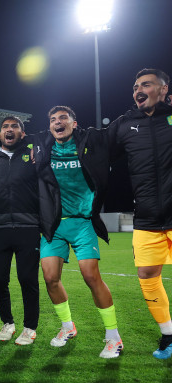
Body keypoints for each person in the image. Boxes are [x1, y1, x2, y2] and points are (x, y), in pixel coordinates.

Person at [34, 106, 121, 358]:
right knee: (50, 277)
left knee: (91, 276)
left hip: (82, 222)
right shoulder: (43, 146)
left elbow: (115, 133)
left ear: (74, 123)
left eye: (63, 118)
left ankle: (113, 336)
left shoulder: (89, 141)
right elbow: (17, 137)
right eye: (53, 119)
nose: (57, 122)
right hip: (55, 224)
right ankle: (67, 327)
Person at [106, 68, 172, 359]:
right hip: (146, 218)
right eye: (135, 87)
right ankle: (169, 335)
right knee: (147, 275)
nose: (138, 90)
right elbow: (93, 145)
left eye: (146, 84)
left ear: (163, 89)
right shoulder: (124, 124)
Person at [0, 116, 40, 345]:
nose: (9, 129)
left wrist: (33, 143)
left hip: (28, 227)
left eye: (15, 126)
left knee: (27, 279)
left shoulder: (32, 154)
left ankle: (30, 327)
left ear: (22, 134)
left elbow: (48, 137)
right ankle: (8, 323)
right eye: (5, 127)